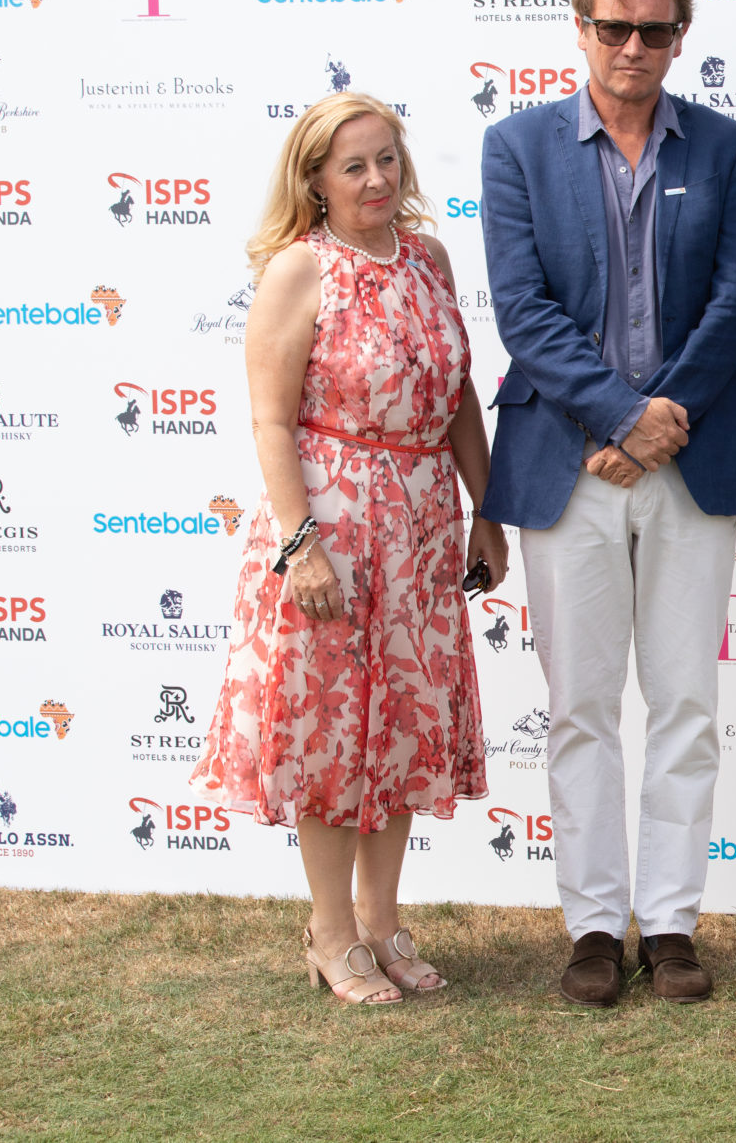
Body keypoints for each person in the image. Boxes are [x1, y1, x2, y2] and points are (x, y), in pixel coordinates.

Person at [479, 0, 736, 1007]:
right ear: (581, 29)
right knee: (581, 708)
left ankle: (673, 925)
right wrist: (617, 417)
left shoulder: (726, 147)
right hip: (570, 462)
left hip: (688, 458)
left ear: (679, 38)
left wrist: (657, 423)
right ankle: (594, 926)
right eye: (613, 27)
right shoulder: (517, 146)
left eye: (652, 29)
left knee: (686, 699)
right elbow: (523, 309)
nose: (631, 46)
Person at [192, 92, 505, 1005]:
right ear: (316, 181)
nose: (376, 179)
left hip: (420, 525)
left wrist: (487, 512)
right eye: (353, 166)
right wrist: (302, 547)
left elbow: (457, 397)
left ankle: (381, 921)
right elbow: (270, 419)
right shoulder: (300, 269)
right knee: (332, 735)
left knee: (402, 724)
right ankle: (330, 933)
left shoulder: (429, 258)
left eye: (387, 159)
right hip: (329, 526)